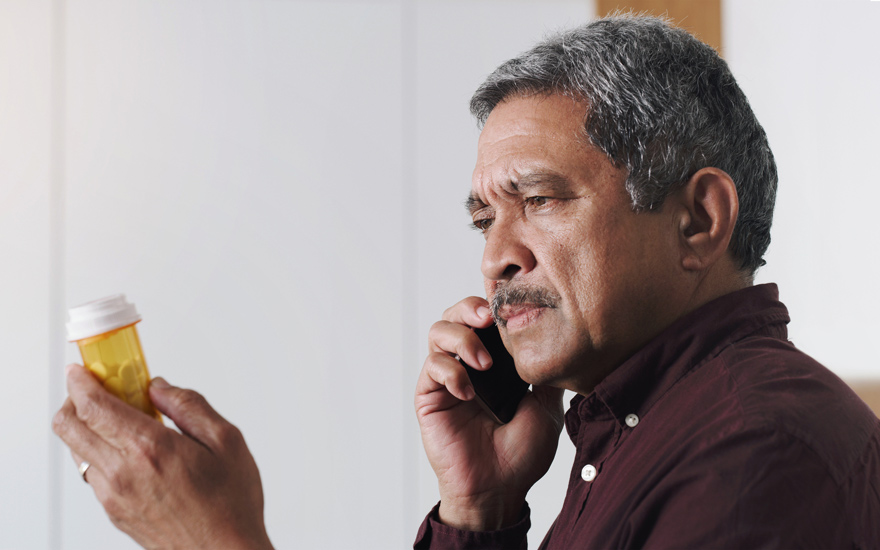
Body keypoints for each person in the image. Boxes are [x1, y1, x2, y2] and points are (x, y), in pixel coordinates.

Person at [412, 14, 880, 550]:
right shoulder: (650, 433)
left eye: (539, 200)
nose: (494, 259)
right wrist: (478, 511)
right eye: (485, 222)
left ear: (699, 220)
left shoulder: (752, 455)